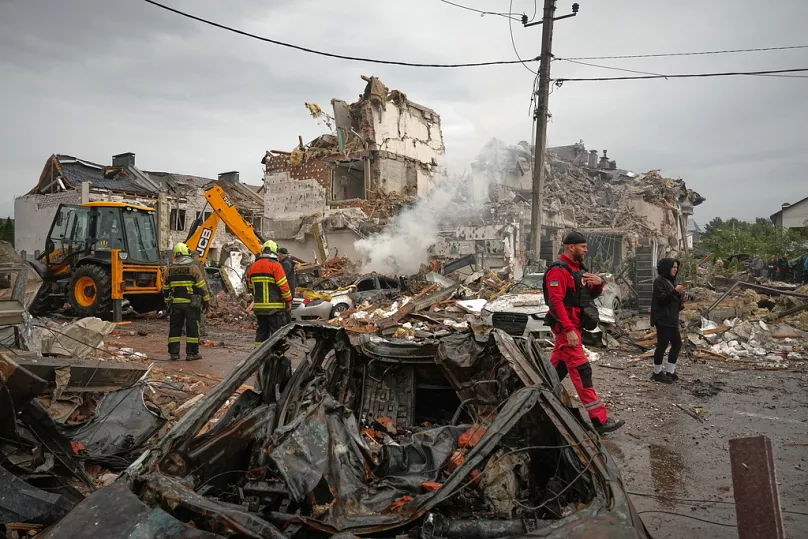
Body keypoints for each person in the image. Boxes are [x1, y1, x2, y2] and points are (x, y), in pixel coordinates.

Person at [544, 231, 624, 434]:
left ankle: (536, 400)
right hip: (567, 330)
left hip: (574, 328)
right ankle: (599, 420)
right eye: (583, 247)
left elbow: (584, 296)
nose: (586, 250)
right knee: (582, 372)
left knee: (553, 372)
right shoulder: (558, 271)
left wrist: (599, 284)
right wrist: (568, 329)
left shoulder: (577, 270)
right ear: (571, 247)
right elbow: (555, 302)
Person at [163, 242, 210, 361]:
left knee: (175, 328)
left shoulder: (169, 270)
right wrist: (206, 302)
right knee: (192, 328)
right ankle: (191, 353)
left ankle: (174, 353)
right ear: (187, 253)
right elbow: (202, 287)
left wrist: (167, 305)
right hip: (191, 304)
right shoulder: (193, 268)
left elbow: (166, 290)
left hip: (176, 304)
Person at [247, 240, 293, 348]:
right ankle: (278, 355)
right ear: (275, 251)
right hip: (275, 309)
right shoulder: (276, 265)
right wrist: (289, 301)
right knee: (277, 335)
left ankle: (258, 354)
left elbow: (251, 288)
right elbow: (284, 286)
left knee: (261, 333)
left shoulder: (253, 266)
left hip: (259, 309)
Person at [650, 258, 687, 384]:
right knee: (662, 345)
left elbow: (673, 302)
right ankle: (657, 372)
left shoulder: (671, 282)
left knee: (677, 344)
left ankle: (670, 372)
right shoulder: (659, 282)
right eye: (673, 267)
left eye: (676, 267)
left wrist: (682, 300)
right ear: (667, 268)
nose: (675, 269)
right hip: (663, 319)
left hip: (672, 319)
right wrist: (675, 291)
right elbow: (663, 299)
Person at [277, 247, 297, 324]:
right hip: (288, 288)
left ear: (281, 255)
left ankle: (287, 325)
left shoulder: (286, 264)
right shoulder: (287, 262)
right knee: (286, 310)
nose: (278, 257)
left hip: (287, 289)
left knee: (287, 310)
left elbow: (282, 276)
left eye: (278, 255)